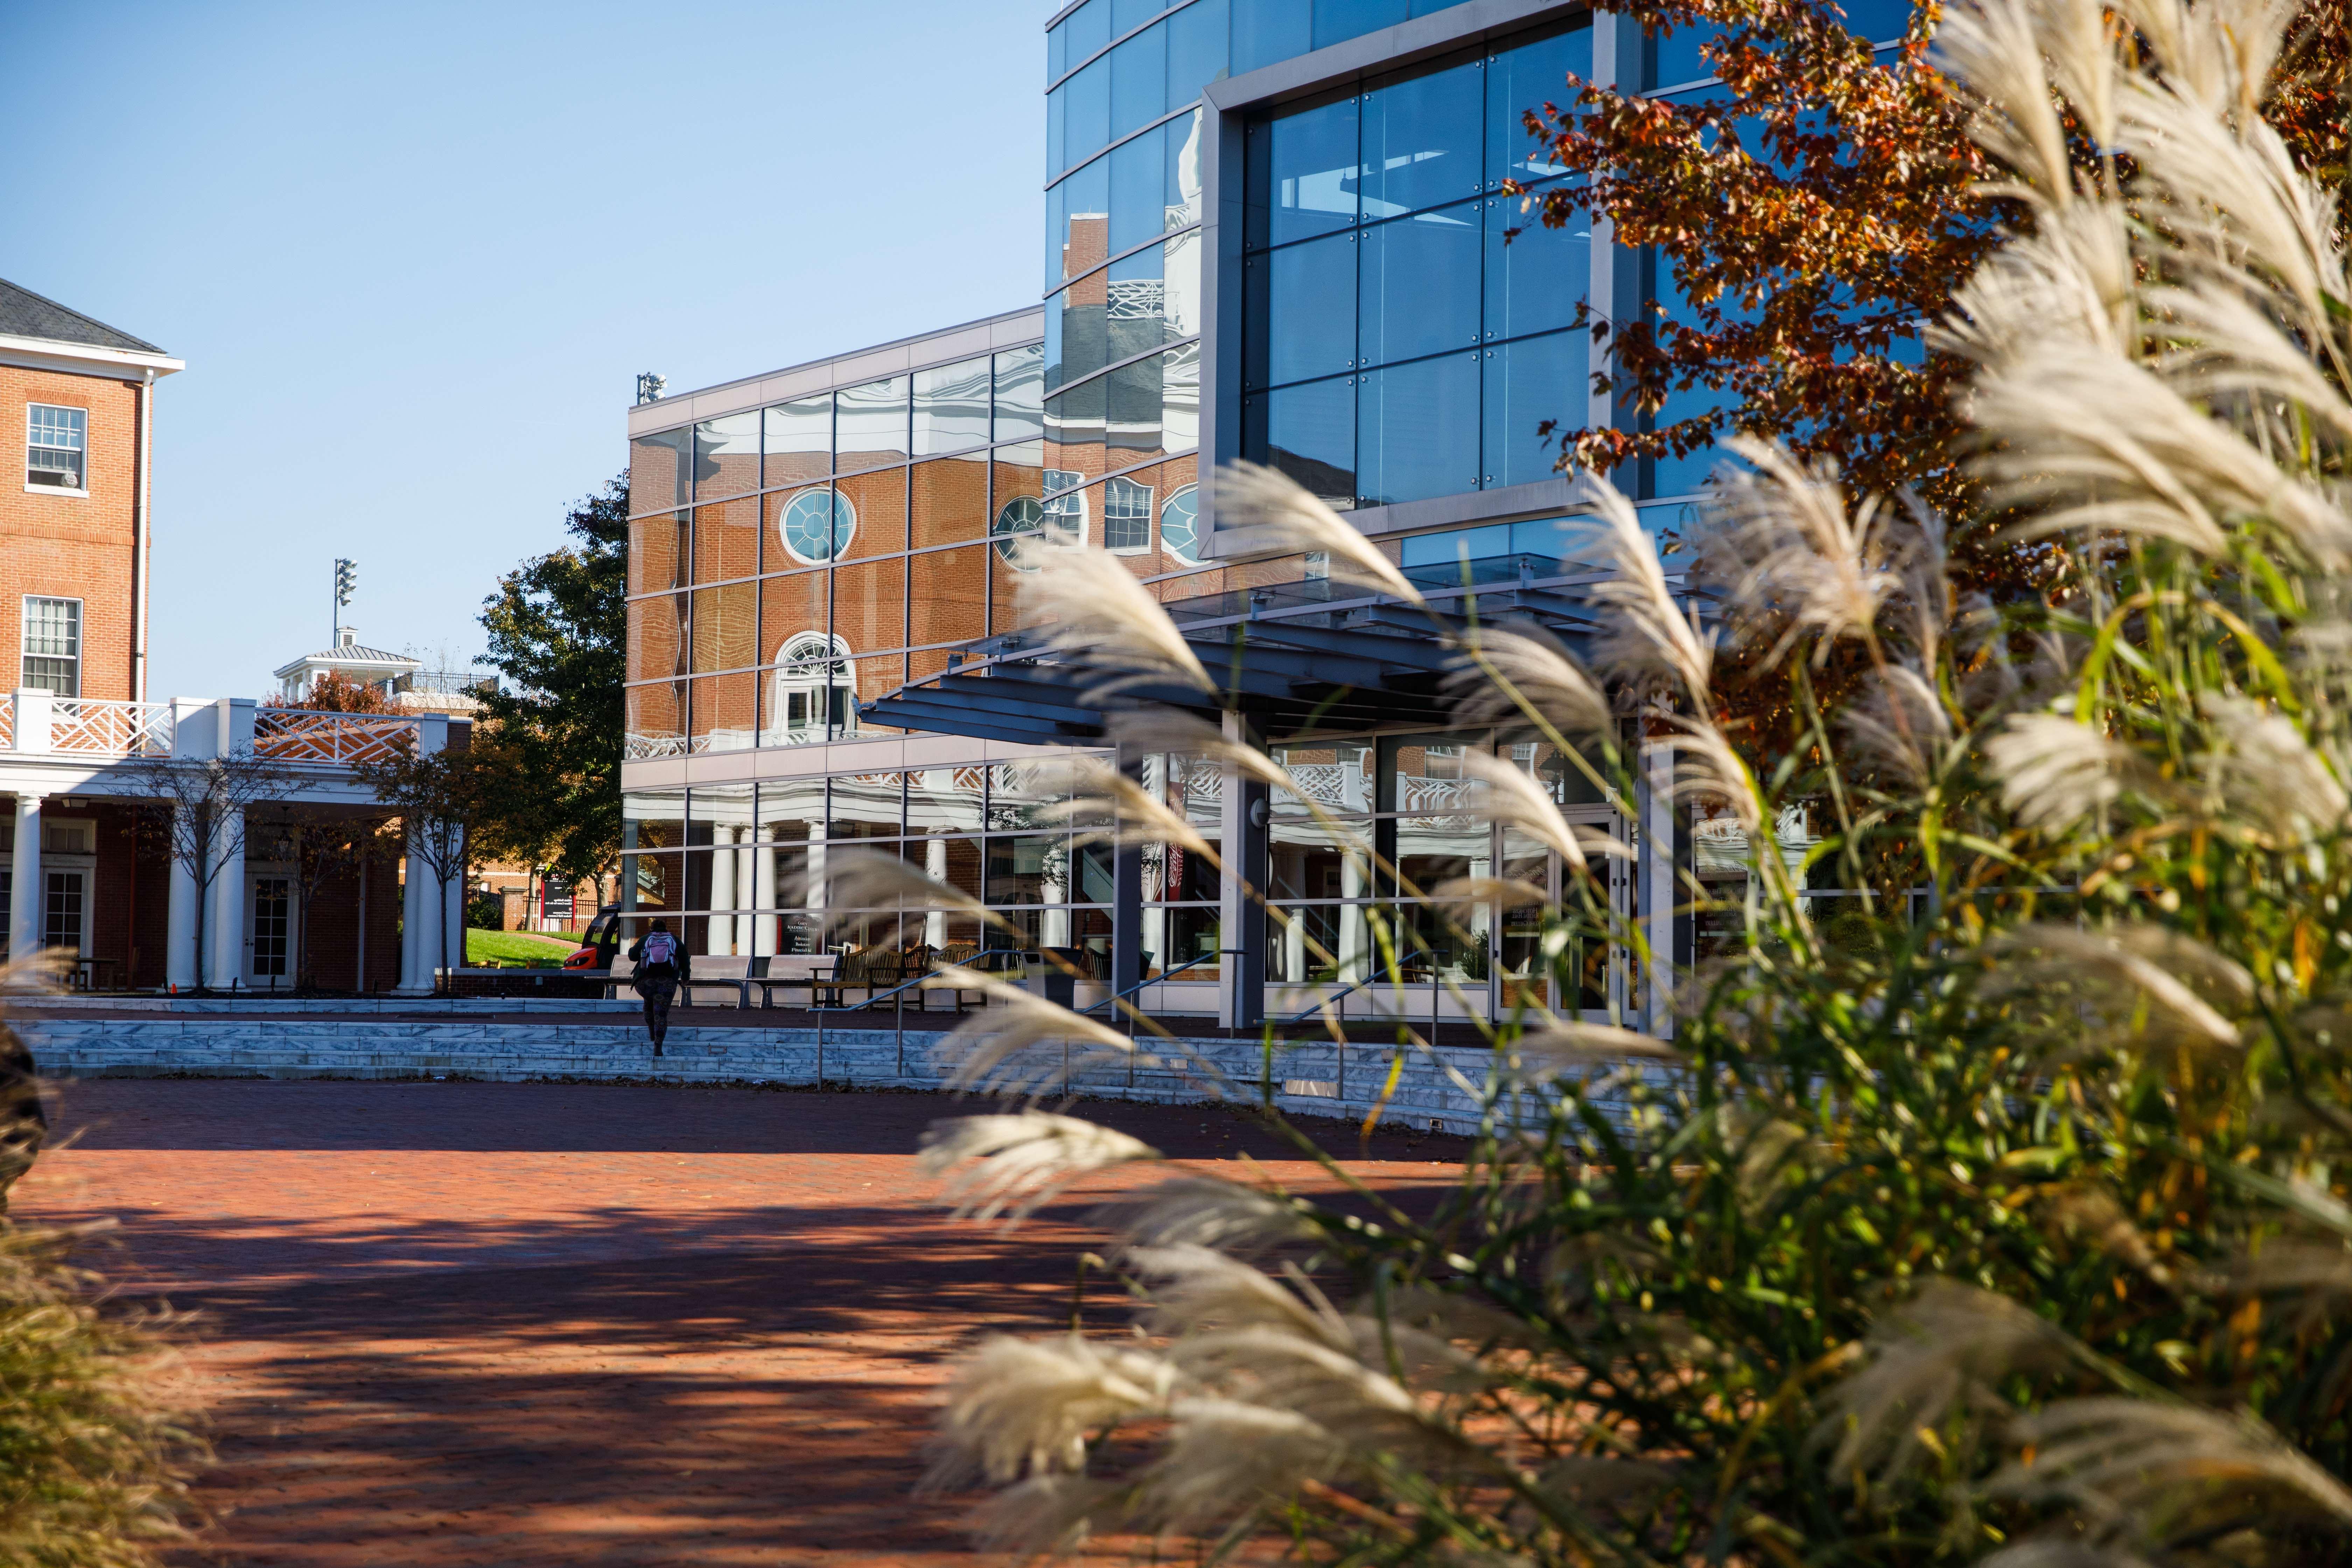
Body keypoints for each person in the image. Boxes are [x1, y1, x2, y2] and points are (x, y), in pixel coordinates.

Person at [626, 919, 690, 1055]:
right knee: (661, 1013)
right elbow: (685, 958)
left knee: (649, 1002)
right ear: (665, 928)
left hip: (645, 982)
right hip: (667, 983)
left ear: (652, 928)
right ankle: (658, 1045)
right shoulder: (674, 939)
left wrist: (636, 948)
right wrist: (685, 977)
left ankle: (651, 1030)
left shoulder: (646, 938)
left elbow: (632, 956)